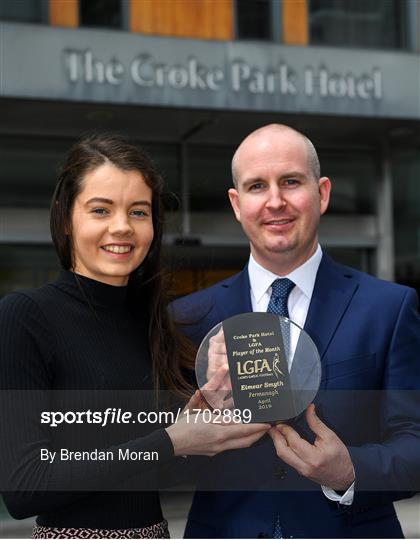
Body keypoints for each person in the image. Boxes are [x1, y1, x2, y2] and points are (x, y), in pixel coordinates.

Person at [0, 134, 269, 539]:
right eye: (100, 210)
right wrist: (171, 440)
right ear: (64, 217)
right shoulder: (25, 316)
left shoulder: (152, 322)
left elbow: (156, 467)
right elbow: (24, 486)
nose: (122, 227)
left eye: (138, 212)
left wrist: (211, 427)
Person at [172, 124, 420, 538]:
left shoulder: (388, 308)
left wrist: (350, 471)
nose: (275, 201)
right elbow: (158, 456)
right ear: (237, 203)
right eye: (256, 186)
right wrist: (189, 431)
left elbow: (414, 440)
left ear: (322, 193)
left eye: (290, 181)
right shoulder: (188, 317)